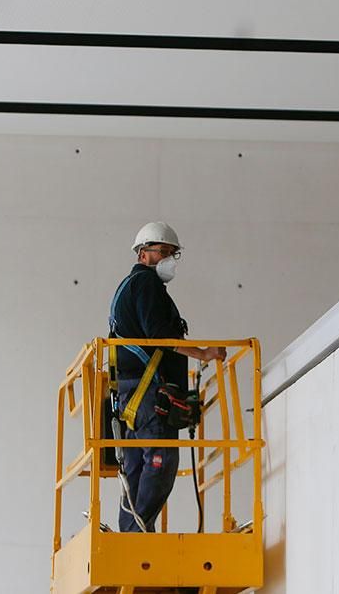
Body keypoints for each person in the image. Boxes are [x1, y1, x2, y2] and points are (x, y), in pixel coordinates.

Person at [109, 221, 225, 532]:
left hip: (132, 392)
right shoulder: (145, 286)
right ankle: (135, 535)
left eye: (174, 254)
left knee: (135, 465)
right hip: (147, 393)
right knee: (161, 460)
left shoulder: (130, 287)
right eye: (164, 252)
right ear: (143, 253)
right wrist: (203, 354)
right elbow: (159, 335)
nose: (169, 259)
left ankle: (128, 534)